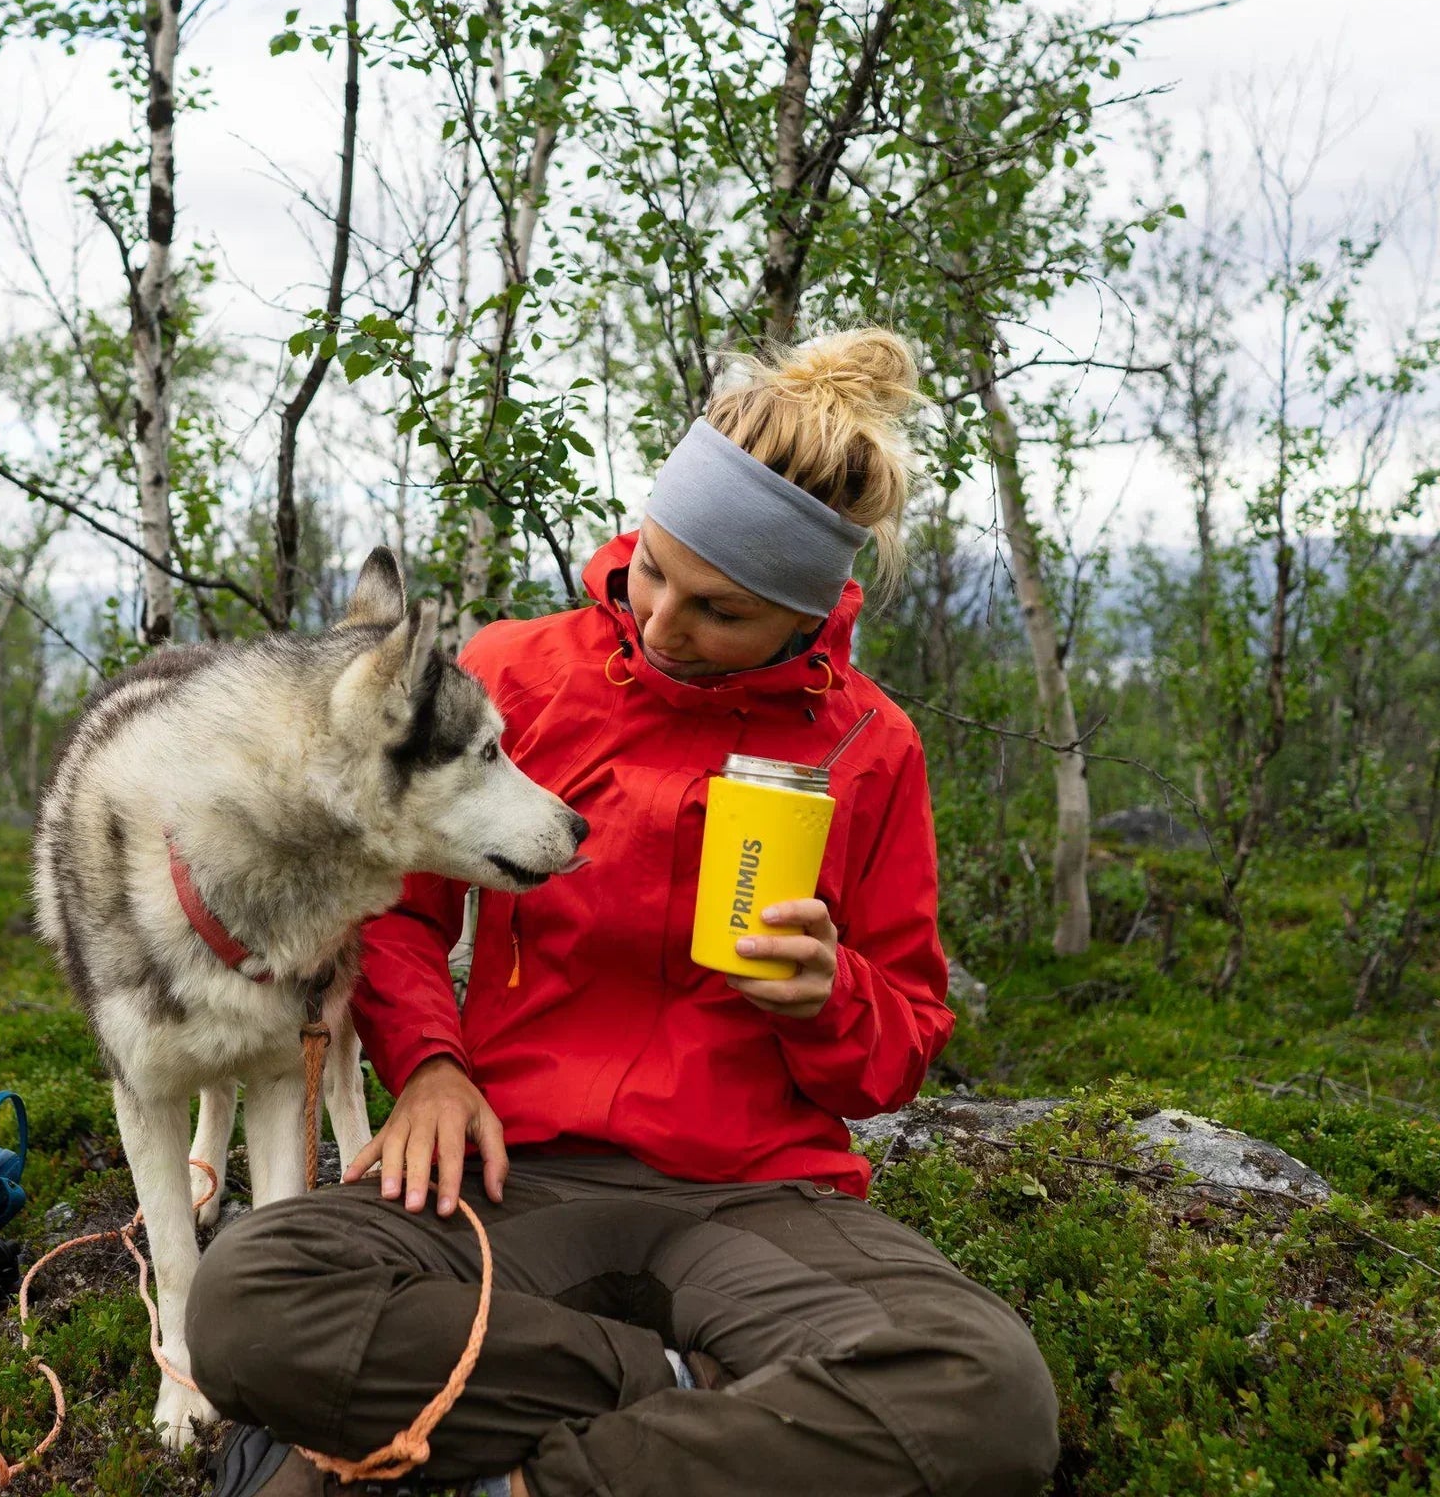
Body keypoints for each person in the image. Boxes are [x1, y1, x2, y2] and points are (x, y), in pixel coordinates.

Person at [185, 330, 1060, 1497]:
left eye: (720, 610)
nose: (660, 623)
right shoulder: (519, 677)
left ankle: (510, 1474)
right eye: (653, 570)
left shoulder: (867, 745)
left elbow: (901, 1043)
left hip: (756, 1200)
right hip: (511, 1180)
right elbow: (391, 911)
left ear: (808, 613)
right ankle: (706, 1405)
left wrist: (829, 996)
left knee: (986, 1396)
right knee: (248, 1304)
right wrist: (435, 1069)